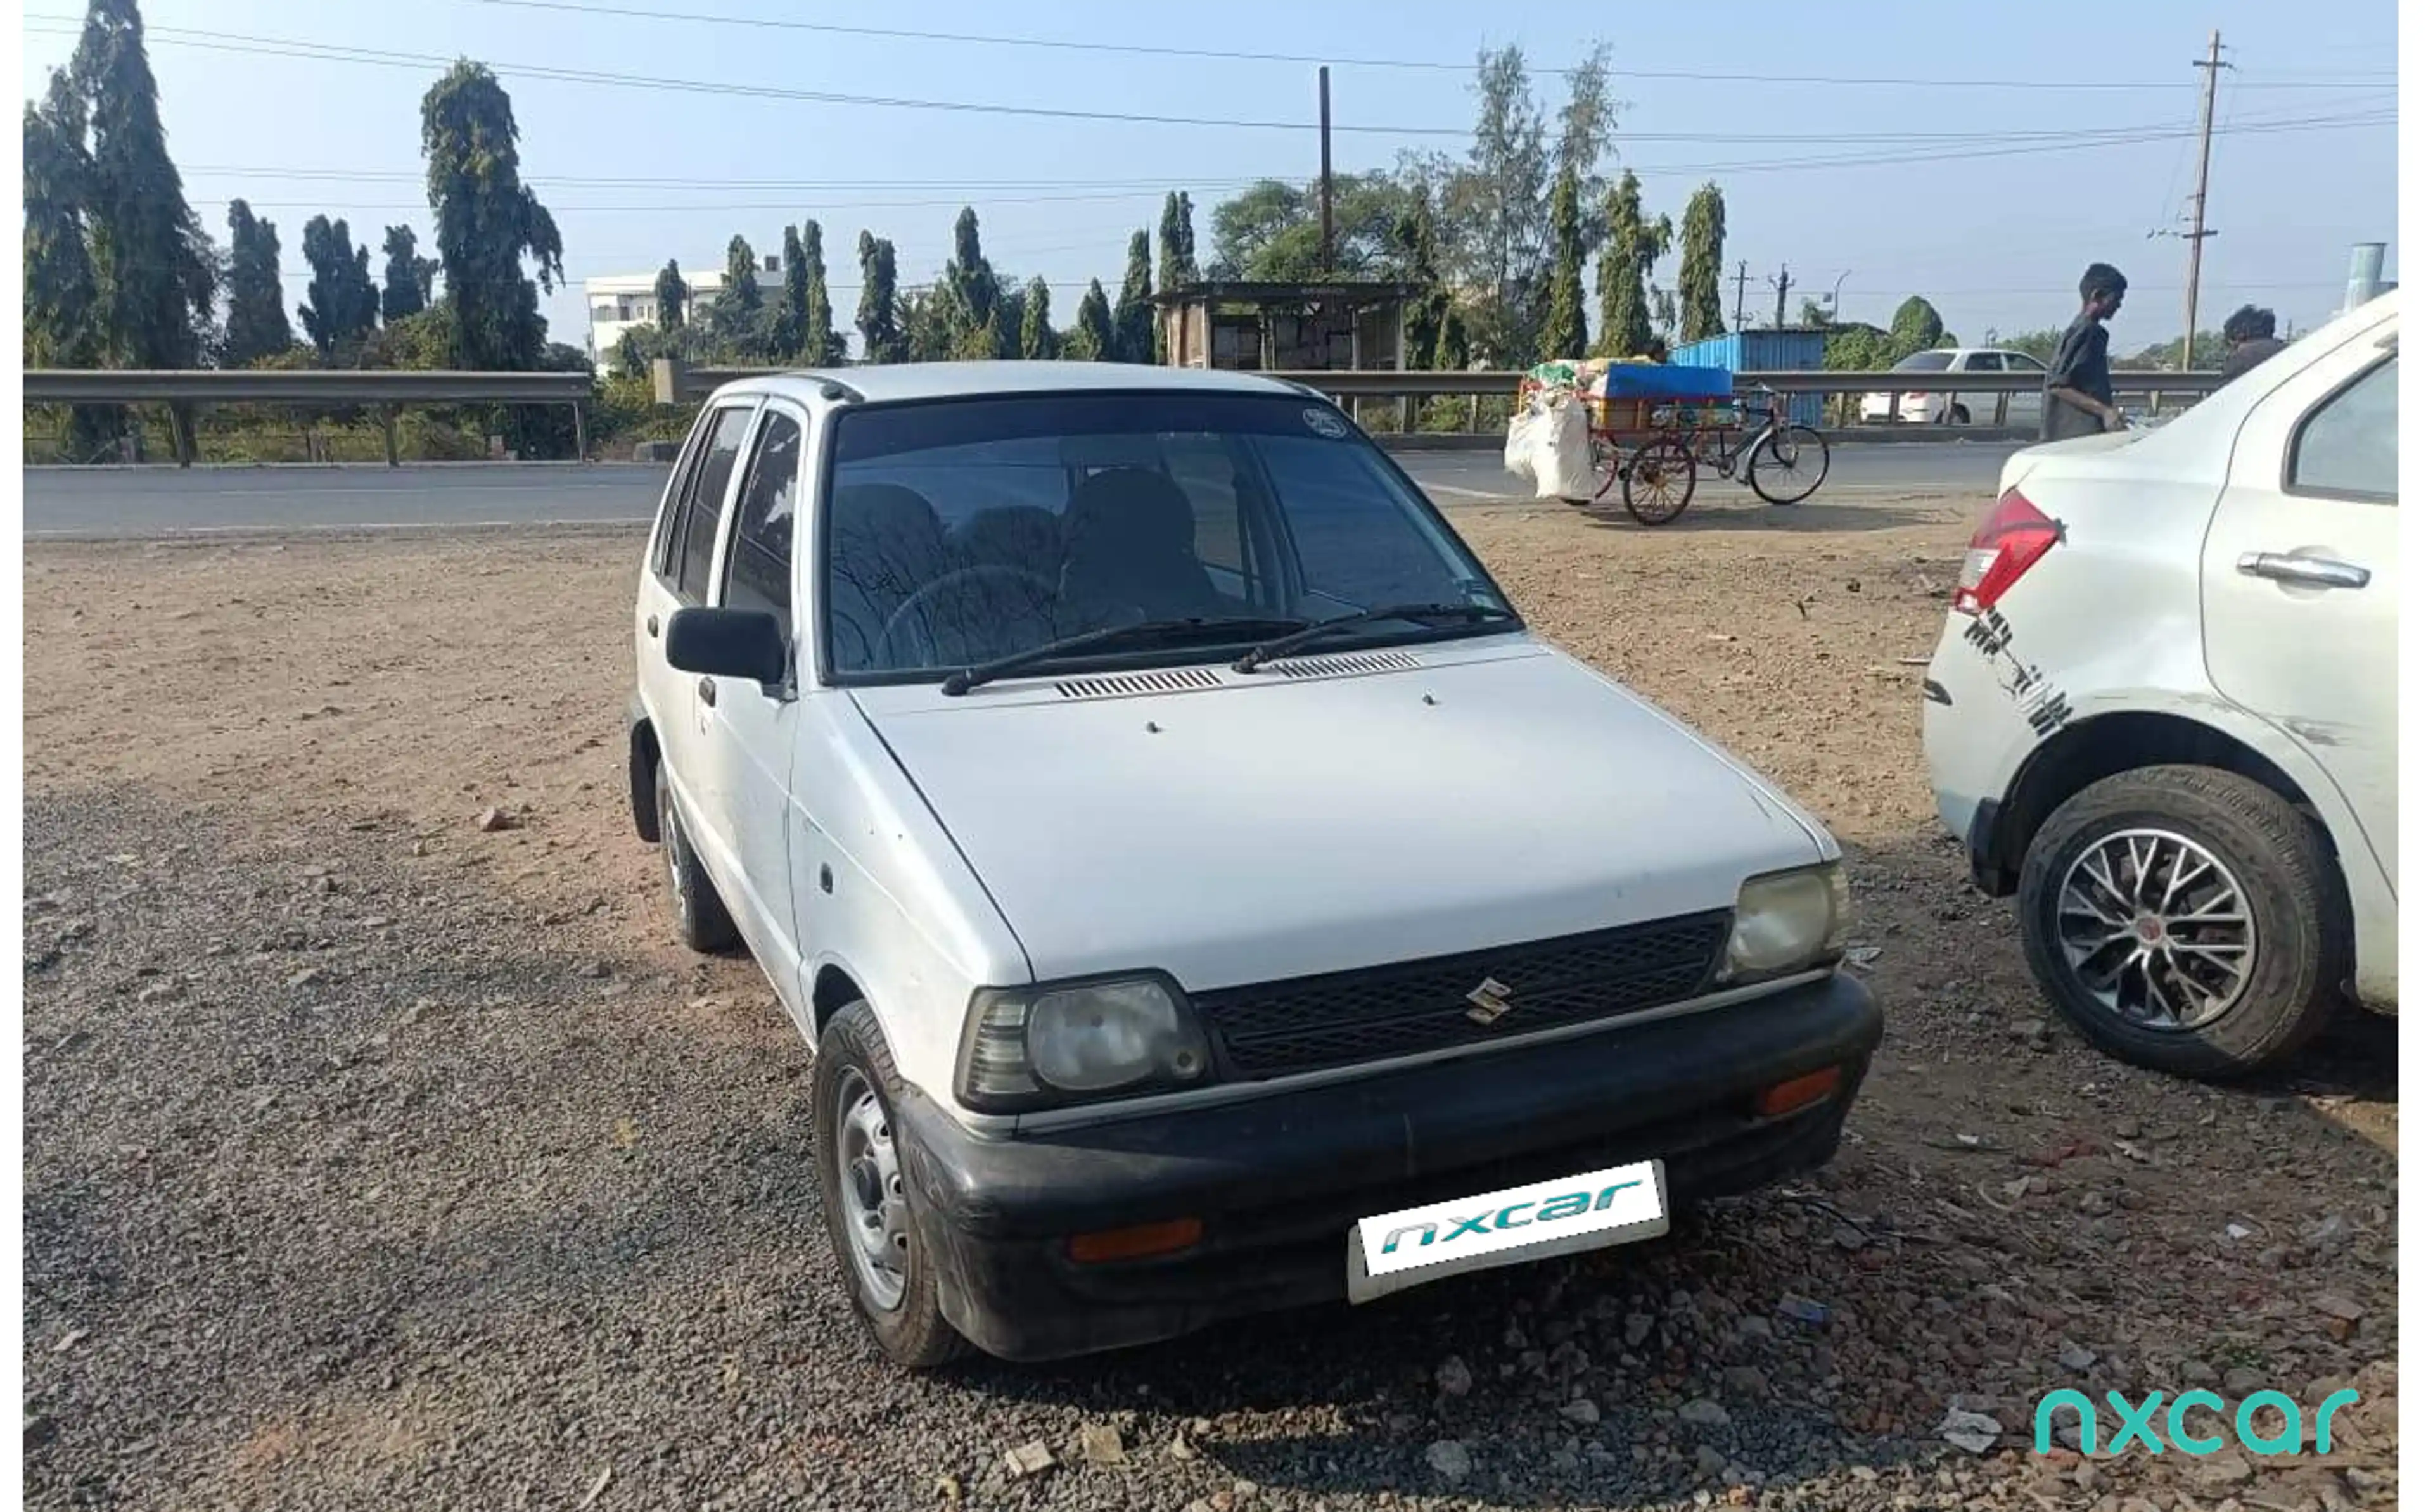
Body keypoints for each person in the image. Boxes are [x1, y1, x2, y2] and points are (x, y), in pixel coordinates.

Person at [2041, 263, 2128, 441]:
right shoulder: (2089, 332)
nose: (2119, 305)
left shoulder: (2077, 328)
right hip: (2077, 436)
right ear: (2097, 296)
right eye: (2116, 298)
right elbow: (2058, 385)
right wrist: (2105, 412)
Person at [2219, 304, 2285, 380]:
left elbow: (2226, 389)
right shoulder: (2288, 351)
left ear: (2240, 335)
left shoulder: (2241, 356)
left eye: (2230, 342)